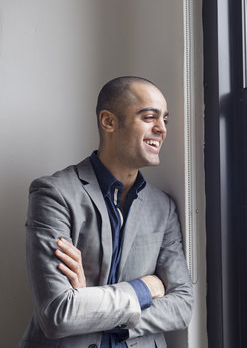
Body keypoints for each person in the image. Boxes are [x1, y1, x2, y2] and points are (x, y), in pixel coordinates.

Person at [19, 76, 193, 347]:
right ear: (109, 121)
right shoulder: (53, 194)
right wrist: (144, 289)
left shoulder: (164, 207)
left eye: (165, 120)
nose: (162, 129)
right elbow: (58, 313)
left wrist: (88, 302)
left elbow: (183, 306)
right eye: (149, 117)